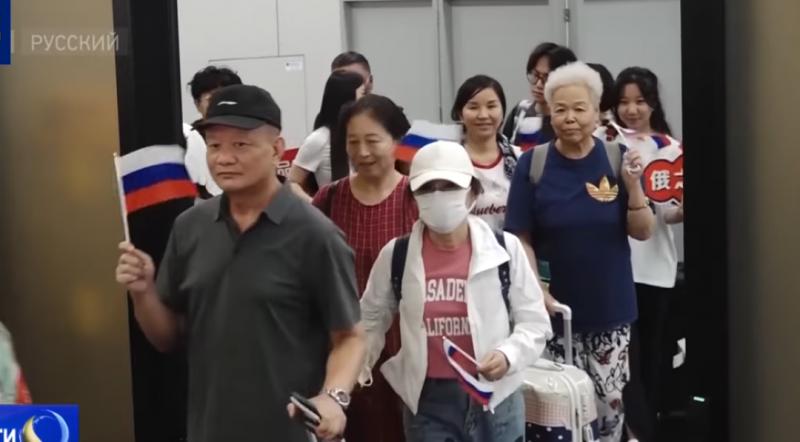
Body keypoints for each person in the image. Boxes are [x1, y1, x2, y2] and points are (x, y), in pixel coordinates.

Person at [115, 84, 366, 442]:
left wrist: (333, 397)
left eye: (240, 145)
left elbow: (350, 337)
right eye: (215, 146)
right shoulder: (190, 227)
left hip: (289, 433)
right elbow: (168, 338)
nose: (224, 158)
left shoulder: (315, 234)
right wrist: (143, 293)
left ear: (276, 148)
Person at [360, 141, 552, 442]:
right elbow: (370, 321)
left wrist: (508, 355)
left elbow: (535, 323)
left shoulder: (505, 249)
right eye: (427, 188)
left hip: (497, 399)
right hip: (428, 404)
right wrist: (347, 378)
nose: (438, 196)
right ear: (413, 197)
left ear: (472, 192)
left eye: (450, 186)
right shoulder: (397, 256)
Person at [504, 62, 656, 442]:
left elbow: (642, 231)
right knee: (558, 416)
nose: (569, 118)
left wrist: (634, 187)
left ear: (597, 110)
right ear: (549, 113)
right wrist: (537, 289)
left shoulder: (616, 157)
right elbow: (519, 235)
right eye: (560, 109)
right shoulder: (533, 164)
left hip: (609, 313)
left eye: (579, 108)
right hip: (553, 316)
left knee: (608, 415)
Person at [313, 94, 417, 442]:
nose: (362, 152)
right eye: (352, 142)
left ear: (397, 140)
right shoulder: (329, 199)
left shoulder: (415, 199)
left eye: (373, 141)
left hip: (406, 351)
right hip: (343, 349)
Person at [612, 66, 684, 439]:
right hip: (614, 268)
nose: (631, 110)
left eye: (639, 101)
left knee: (651, 359)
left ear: (653, 103)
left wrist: (682, 212)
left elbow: (668, 213)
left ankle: (648, 428)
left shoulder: (670, 148)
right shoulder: (606, 142)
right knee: (620, 360)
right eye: (623, 102)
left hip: (655, 269)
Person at [451, 75, 521, 232]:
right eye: (473, 107)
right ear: (460, 113)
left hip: (513, 245)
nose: (483, 115)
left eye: (491, 106)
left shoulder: (520, 159)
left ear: (502, 111)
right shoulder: (448, 160)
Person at [289, 71, 365, 198]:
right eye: (363, 94)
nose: (366, 100)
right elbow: (292, 183)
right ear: (348, 98)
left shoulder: (363, 133)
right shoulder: (319, 139)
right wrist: (315, 205)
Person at [502, 43, 576, 150]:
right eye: (535, 75)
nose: (538, 84)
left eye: (547, 78)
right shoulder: (520, 110)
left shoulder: (570, 121)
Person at [184, 66, 243, 198]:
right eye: (212, 100)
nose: (221, 104)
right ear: (197, 104)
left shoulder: (253, 135)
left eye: (228, 98)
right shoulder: (189, 141)